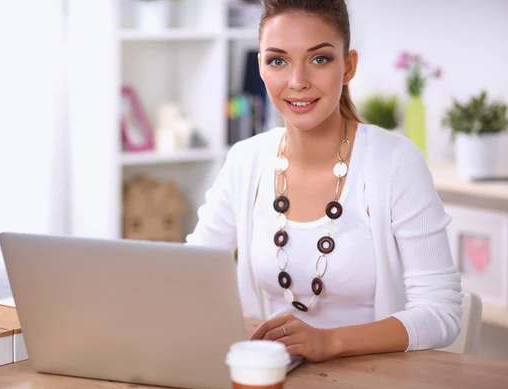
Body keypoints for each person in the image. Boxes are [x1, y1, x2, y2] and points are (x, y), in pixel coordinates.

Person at [186, 0, 462, 363]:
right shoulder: (245, 160)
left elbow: (442, 313)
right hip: (273, 375)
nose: (297, 81)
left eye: (319, 59)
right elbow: (191, 274)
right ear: (261, 67)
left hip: (375, 383)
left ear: (348, 66)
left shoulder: (396, 161)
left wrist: (328, 342)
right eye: (278, 60)